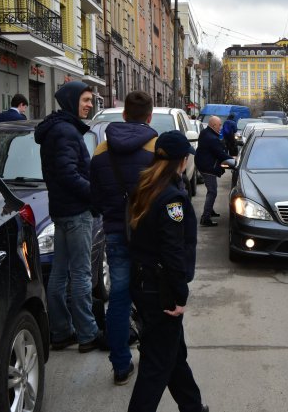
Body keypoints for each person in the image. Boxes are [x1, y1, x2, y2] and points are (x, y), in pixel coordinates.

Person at [127, 130, 208, 412]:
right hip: (160, 289)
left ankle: (192, 406)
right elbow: (172, 250)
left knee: (173, 353)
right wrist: (180, 295)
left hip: (143, 281)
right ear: (181, 160)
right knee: (157, 363)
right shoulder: (172, 198)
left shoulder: (145, 186)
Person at [90, 90, 157, 385]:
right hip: (149, 237)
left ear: (125, 114)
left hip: (116, 233)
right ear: (150, 116)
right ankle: (153, 355)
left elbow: (94, 198)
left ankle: (120, 365)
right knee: (152, 296)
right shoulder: (158, 148)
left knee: (118, 297)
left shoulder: (101, 150)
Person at [34, 80, 102, 353]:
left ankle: (61, 332)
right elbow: (68, 174)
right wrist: (95, 194)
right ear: (72, 100)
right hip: (75, 212)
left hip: (62, 211)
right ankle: (87, 334)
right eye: (85, 100)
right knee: (81, 275)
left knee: (60, 274)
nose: (89, 105)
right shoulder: (65, 131)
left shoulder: (59, 128)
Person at [195, 115, 232, 227]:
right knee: (212, 192)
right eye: (219, 125)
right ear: (214, 125)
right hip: (208, 167)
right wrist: (232, 161)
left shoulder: (206, 133)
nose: (221, 127)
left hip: (203, 165)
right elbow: (220, 154)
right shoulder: (212, 138)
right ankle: (205, 218)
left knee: (211, 190)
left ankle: (210, 210)